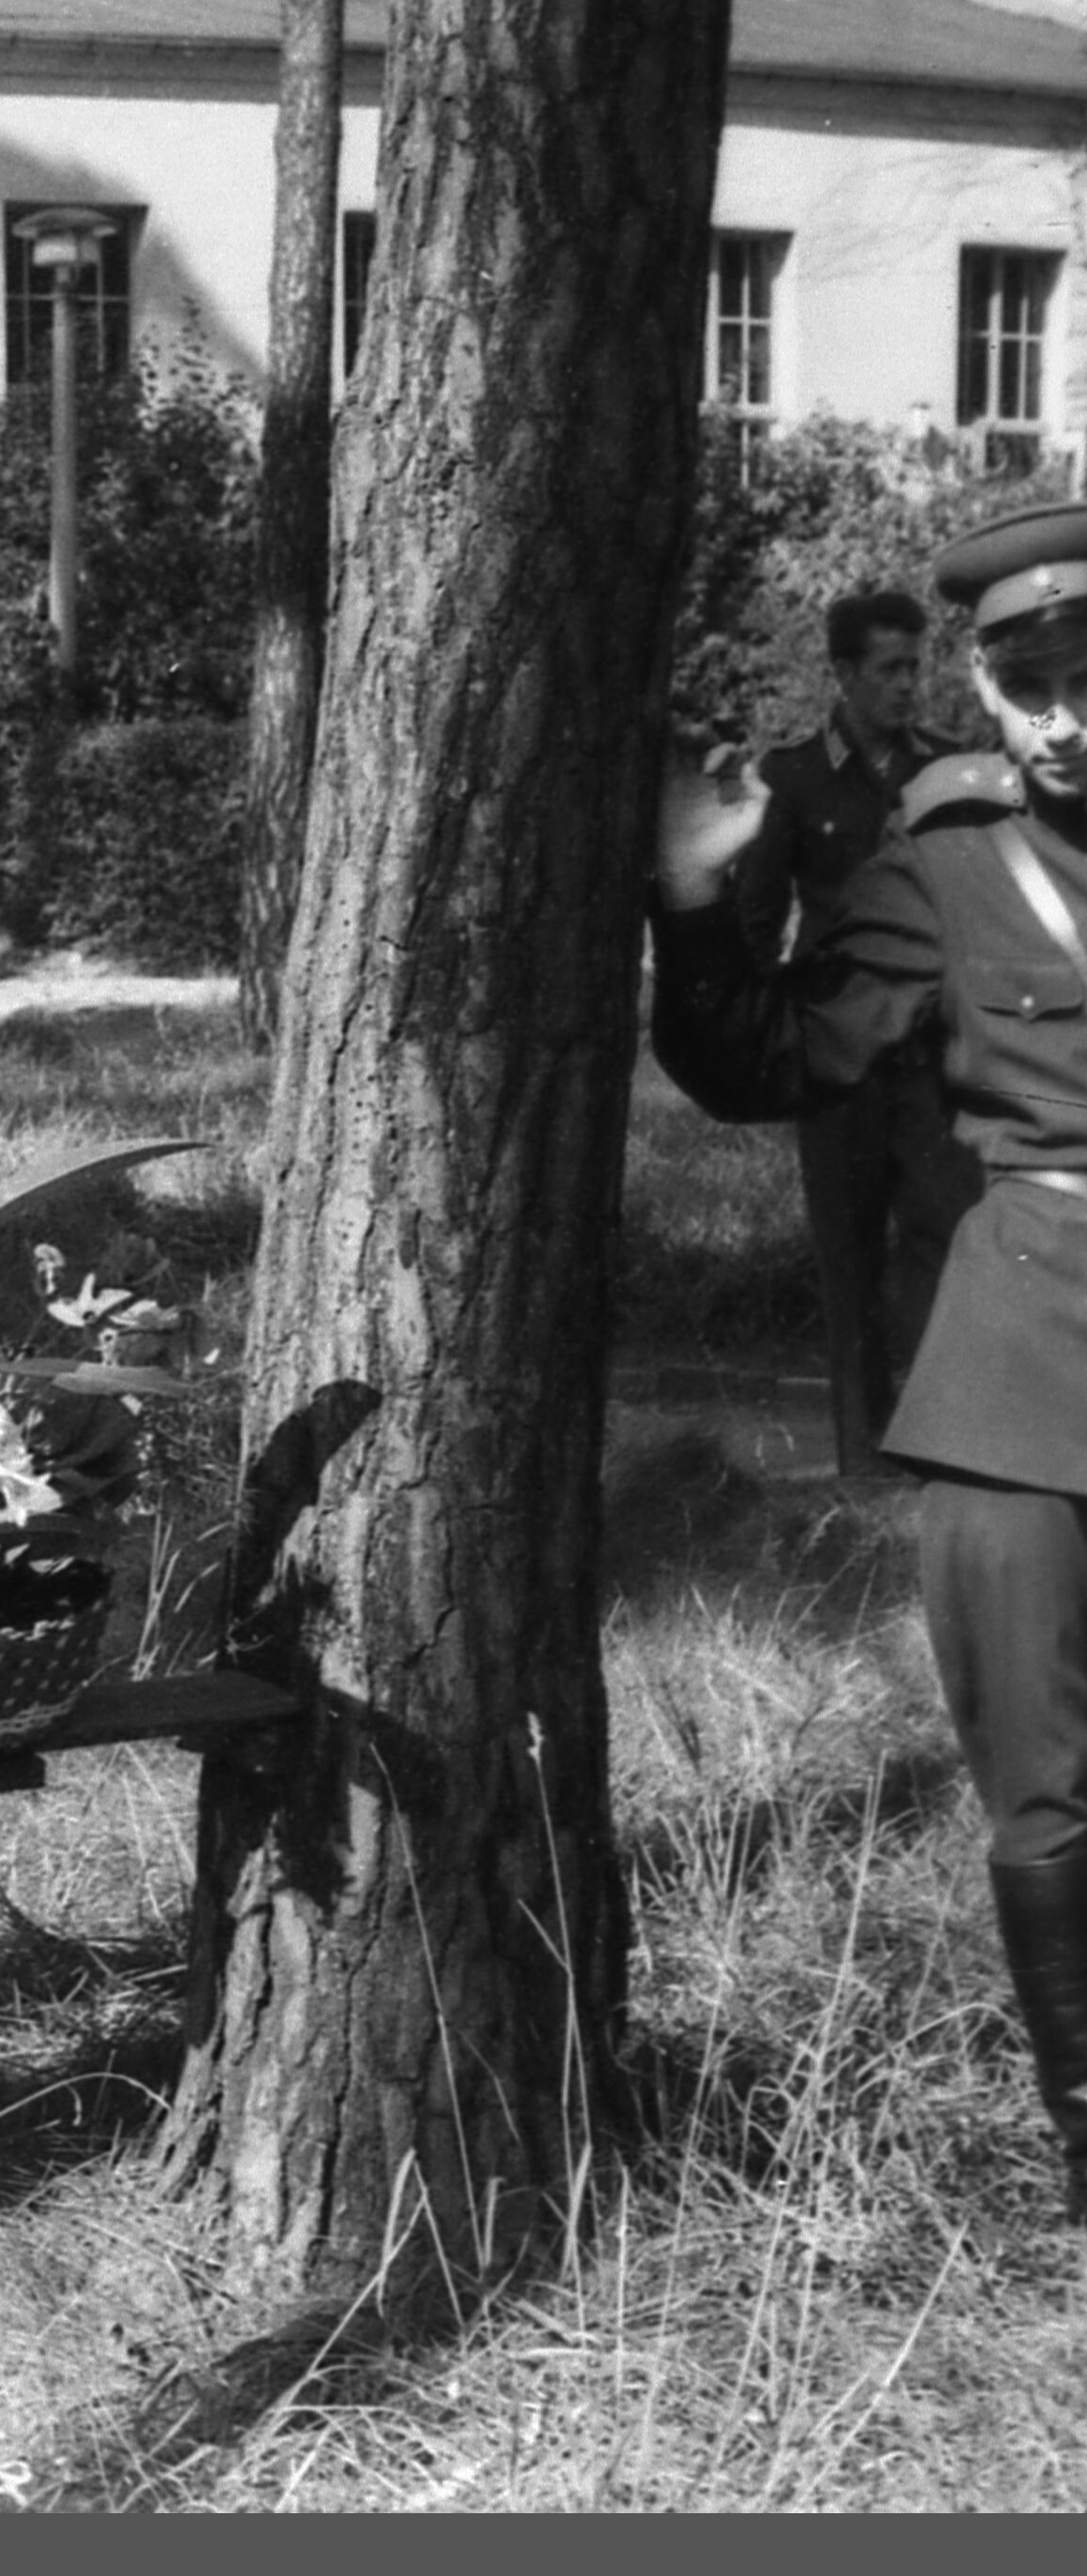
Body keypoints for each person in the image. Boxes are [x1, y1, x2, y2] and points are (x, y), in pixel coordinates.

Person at [650, 503, 1087, 2227]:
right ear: (987, 690)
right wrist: (699, 887)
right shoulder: (949, 865)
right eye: (1031, 684)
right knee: (1041, 1777)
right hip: (1025, 1352)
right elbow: (768, 1060)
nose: (1065, 717)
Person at [729, 587, 979, 1473]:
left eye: (917, 666)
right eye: (890, 670)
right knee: (848, 1269)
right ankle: (861, 1478)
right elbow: (757, 928)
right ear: (842, 674)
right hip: (836, 1065)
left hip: (930, 1061)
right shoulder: (792, 778)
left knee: (948, 1246)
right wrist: (771, 1047)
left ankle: (940, 1454)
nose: (909, 686)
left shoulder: (947, 772)